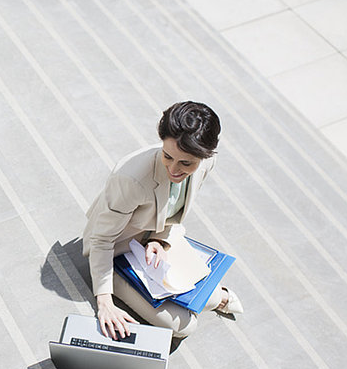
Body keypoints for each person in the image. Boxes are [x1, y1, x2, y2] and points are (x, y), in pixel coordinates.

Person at [82, 101, 243, 342]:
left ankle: (214, 296)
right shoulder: (131, 178)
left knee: (206, 299)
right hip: (117, 249)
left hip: (155, 239)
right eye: (167, 156)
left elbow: (172, 211)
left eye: (186, 163)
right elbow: (101, 239)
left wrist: (159, 240)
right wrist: (104, 302)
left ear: (205, 155)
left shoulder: (206, 163)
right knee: (184, 327)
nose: (174, 169)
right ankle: (214, 295)